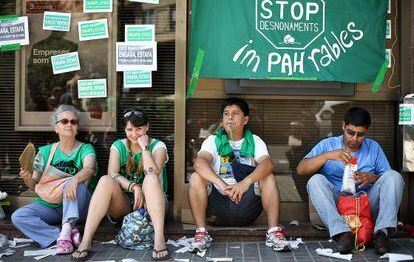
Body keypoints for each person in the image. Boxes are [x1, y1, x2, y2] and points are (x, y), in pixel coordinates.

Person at [297, 107, 404, 255]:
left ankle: (381, 234)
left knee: (394, 176)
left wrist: (373, 178)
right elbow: (301, 169)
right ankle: (342, 234)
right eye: (350, 132)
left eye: (360, 135)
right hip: (337, 207)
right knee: (315, 180)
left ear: (366, 131)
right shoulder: (328, 145)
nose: (354, 139)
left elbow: (388, 181)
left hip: (365, 206)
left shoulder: (373, 147)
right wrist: (327, 156)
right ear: (343, 126)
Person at [188, 97, 290, 252]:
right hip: (217, 207)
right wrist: (222, 184)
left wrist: (245, 183)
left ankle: (273, 232)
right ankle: (201, 233)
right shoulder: (213, 140)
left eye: (235, 113)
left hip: (245, 205)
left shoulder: (254, 140)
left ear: (245, 120)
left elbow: (267, 164)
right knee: (196, 177)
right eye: (226, 113)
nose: (230, 117)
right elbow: (199, 163)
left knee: (267, 176)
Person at [72, 108, 170, 261]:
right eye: (130, 129)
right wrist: (134, 186)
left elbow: (153, 172)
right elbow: (112, 173)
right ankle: (86, 240)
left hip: (153, 205)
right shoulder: (119, 146)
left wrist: (145, 148)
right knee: (105, 180)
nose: (134, 134)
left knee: (150, 179)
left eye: (139, 129)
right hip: (125, 203)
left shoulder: (158, 146)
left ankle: (159, 238)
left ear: (147, 127)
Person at [12, 105, 97, 254]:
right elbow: (35, 185)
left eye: (73, 122)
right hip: (50, 204)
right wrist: (27, 178)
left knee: (78, 184)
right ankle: (62, 236)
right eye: (64, 121)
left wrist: (74, 180)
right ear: (56, 128)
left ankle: (66, 229)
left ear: (77, 128)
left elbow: (89, 169)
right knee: (18, 216)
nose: (69, 124)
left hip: (79, 204)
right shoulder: (45, 152)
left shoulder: (86, 149)